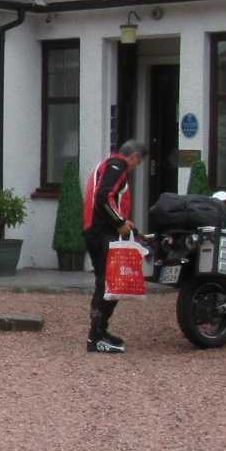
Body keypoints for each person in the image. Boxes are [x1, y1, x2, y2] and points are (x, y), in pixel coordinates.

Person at [83, 139, 146, 353]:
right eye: (139, 162)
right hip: (102, 232)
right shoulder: (118, 166)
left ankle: (100, 332)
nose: (136, 167)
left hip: (95, 230)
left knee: (106, 283)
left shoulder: (107, 165)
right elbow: (103, 197)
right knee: (108, 285)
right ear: (134, 157)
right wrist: (119, 223)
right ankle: (96, 337)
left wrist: (125, 222)